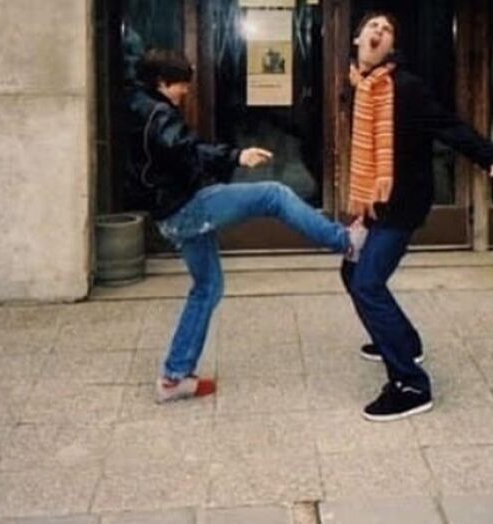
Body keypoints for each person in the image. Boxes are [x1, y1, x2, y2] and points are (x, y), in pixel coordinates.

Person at [123, 48, 367, 404]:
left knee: (208, 287)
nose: (186, 92)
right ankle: (344, 241)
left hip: (171, 212)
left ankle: (174, 378)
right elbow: (186, 149)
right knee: (273, 194)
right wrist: (237, 155)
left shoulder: (137, 104)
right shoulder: (157, 113)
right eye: (181, 85)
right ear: (162, 82)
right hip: (185, 208)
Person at [341, 12, 493, 422]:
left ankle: (411, 385)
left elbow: (449, 126)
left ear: (392, 46)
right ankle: (404, 342)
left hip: (403, 201)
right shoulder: (358, 86)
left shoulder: (405, 88)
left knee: (367, 284)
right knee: (352, 272)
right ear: (358, 38)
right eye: (373, 26)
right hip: (373, 201)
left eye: (388, 29)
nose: (379, 31)